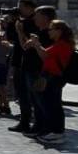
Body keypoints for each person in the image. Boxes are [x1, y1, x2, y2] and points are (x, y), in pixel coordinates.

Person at [27, 13, 71, 144]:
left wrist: (36, 43)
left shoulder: (62, 44)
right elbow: (45, 56)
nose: (49, 31)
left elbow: (45, 55)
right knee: (49, 105)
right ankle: (52, 131)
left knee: (53, 106)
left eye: (51, 29)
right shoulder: (59, 43)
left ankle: (57, 132)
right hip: (50, 76)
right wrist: (37, 45)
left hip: (54, 77)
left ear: (59, 31)